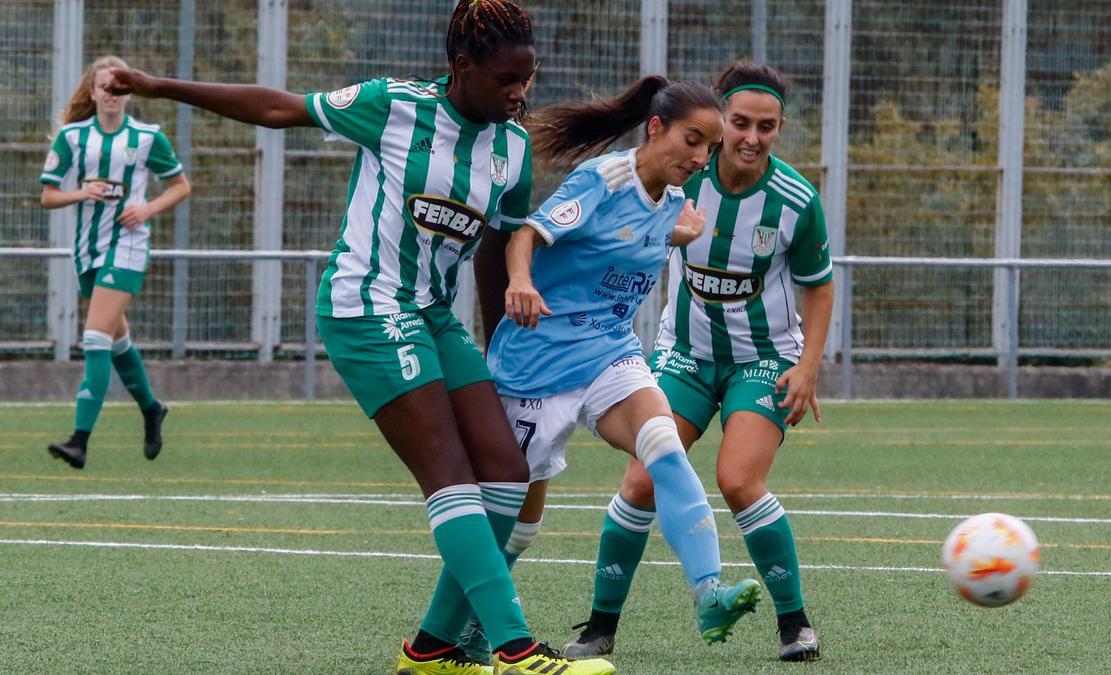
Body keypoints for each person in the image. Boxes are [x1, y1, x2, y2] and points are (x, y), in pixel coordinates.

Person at [103, 3, 614, 674]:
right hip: (367, 305)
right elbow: (280, 108)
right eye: (505, 79)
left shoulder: (511, 149)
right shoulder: (391, 106)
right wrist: (157, 84)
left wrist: (499, 351)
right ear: (462, 68)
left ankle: (431, 649)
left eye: (528, 76)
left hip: (434, 314)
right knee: (450, 473)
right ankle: (514, 648)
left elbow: (496, 250)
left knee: (507, 471)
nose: (520, 92)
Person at [483, 61, 834, 664]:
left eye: (765, 127)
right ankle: (518, 626)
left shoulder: (786, 199)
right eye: (734, 127)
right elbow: (540, 233)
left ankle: (753, 609)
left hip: (729, 356)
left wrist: (808, 366)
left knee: (711, 468)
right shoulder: (639, 181)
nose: (745, 139)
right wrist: (521, 280)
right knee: (526, 515)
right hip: (613, 360)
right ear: (669, 128)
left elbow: (818, 284)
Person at [42, 55, 191, 470]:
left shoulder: (146, 138)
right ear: (91, 92)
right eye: (104, 87)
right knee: (116, 338)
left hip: (127, 246)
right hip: (87, 249)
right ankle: (151, 408)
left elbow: (181, 187)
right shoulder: (73, 138)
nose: (110, 94)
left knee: (94, 338)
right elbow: (48, 196)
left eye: (119, 87)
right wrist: (80, 193)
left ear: (129, 93)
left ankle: (79, 440)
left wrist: (145, 210)